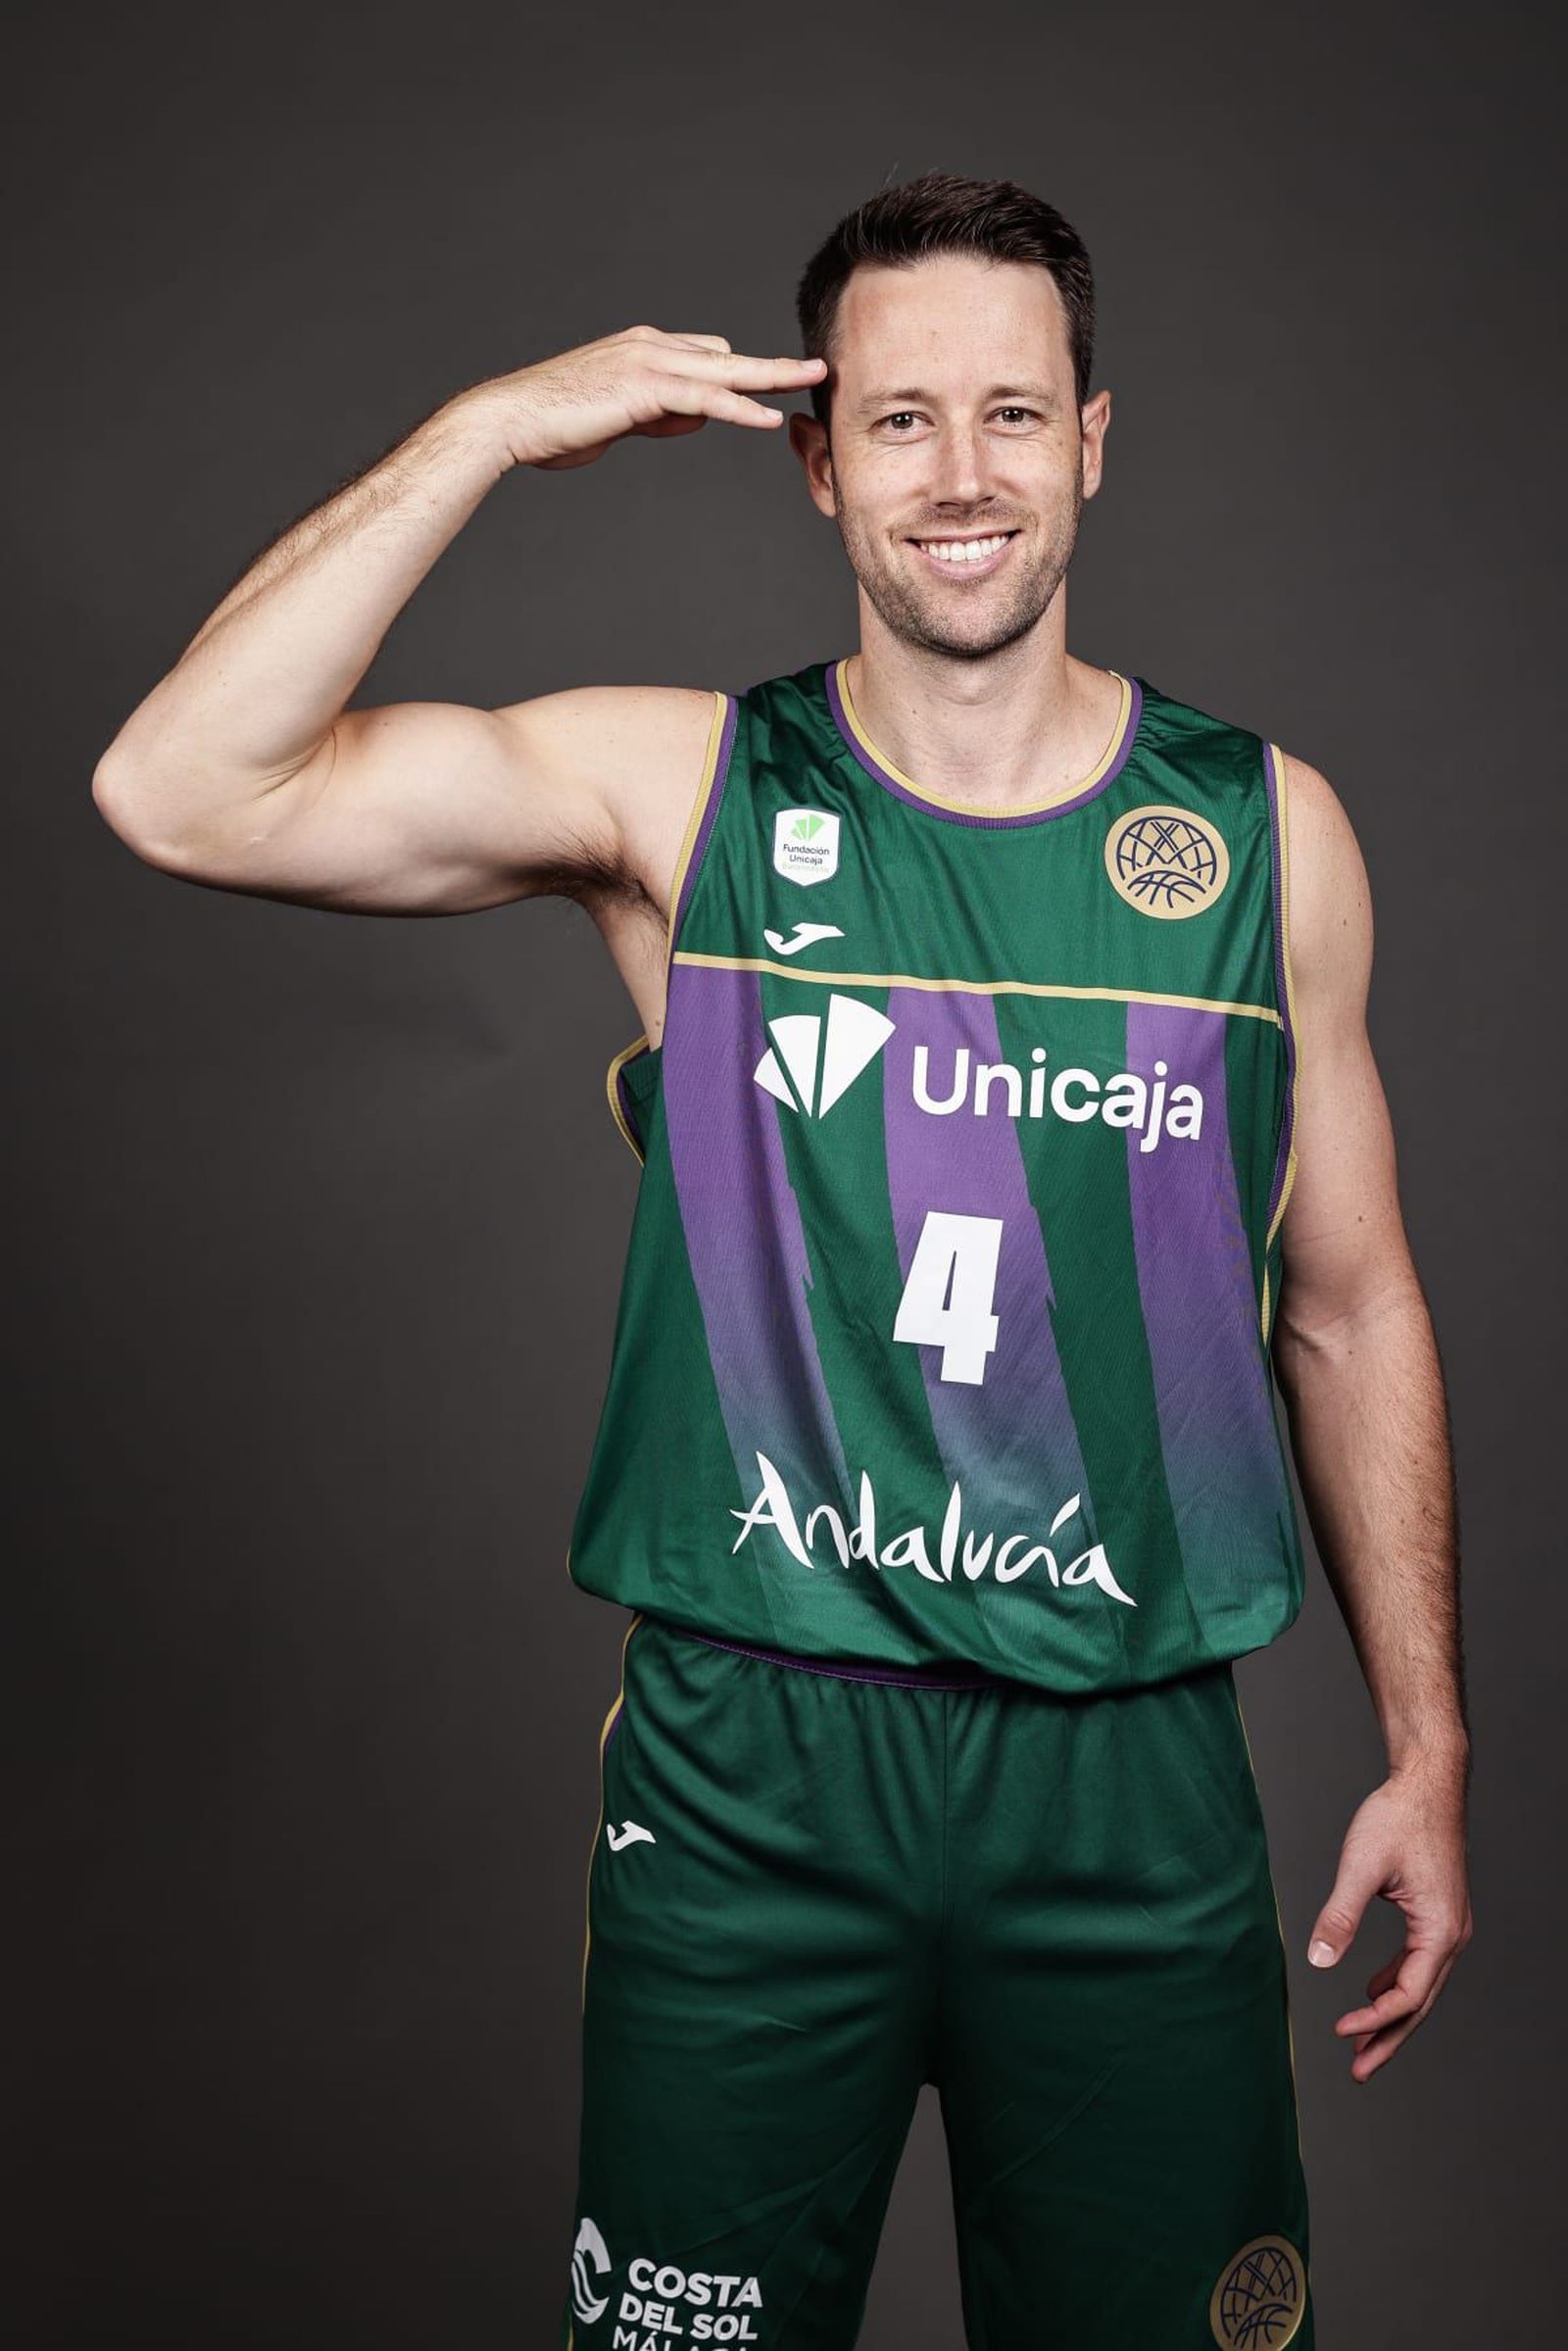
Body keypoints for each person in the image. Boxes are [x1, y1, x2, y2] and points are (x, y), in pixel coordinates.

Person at [93, 171, 1471, 2350]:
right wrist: (475, 435)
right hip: (757, 1773)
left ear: (1092, 442)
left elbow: (1347, 1301)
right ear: (817, 459)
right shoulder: (683, 793)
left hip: (1124, 1775)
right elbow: (185, 791)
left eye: (1011, 416)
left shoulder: (1257, 834)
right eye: (899, 420)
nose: (959, 476)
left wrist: (1425, 1746)